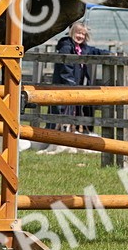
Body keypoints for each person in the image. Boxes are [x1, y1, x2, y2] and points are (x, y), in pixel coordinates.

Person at [40, 23, 109, 155]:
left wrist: (109, 53)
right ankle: (54, 140)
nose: (80, 36)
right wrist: (70, 84)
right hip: (64, 86)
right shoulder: (66, 46)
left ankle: (69, 140)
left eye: (83, 34)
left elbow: (94, 51)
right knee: (61, 112)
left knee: (72, 112)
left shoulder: (82, 48)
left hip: (74, 86)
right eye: (78, 33)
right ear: (72, 33)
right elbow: (66, 67)